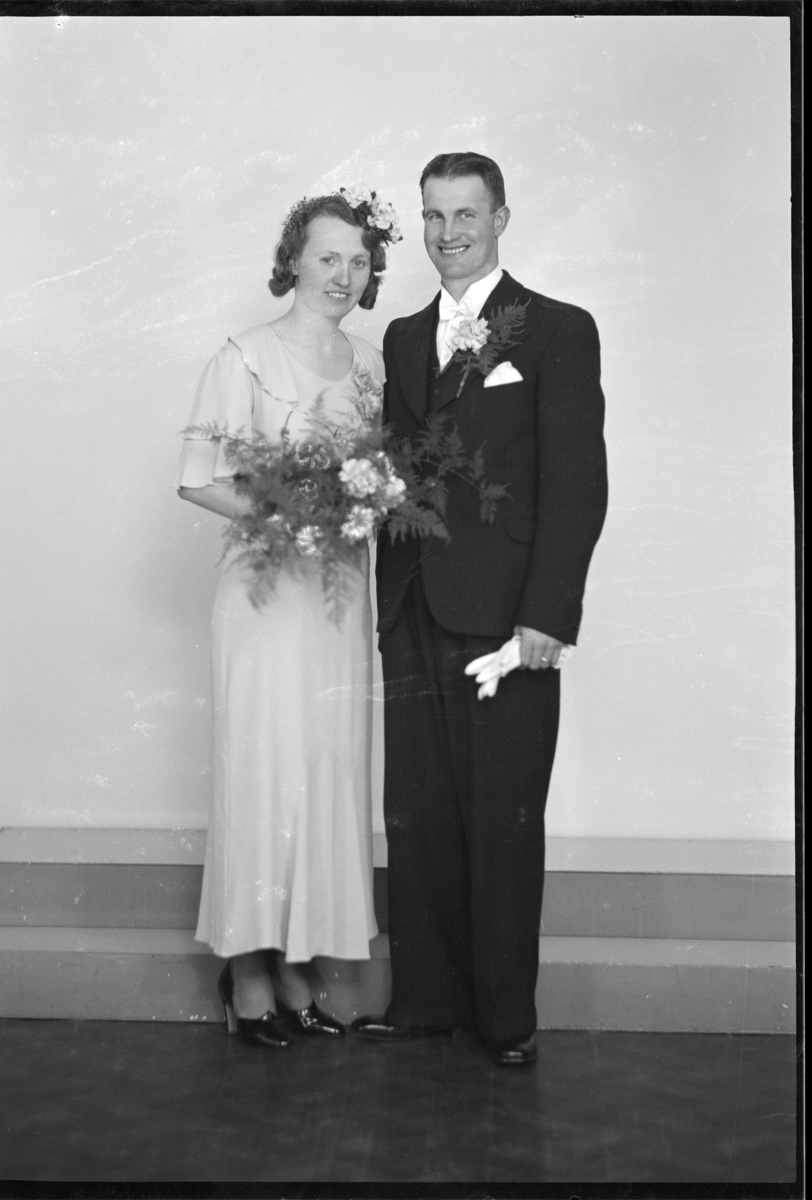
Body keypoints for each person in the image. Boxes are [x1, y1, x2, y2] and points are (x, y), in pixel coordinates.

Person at [352, 152, 608, 1065]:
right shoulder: (401, 338)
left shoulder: (557, 330)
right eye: (433, 216)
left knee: (503, 819)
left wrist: (548, 618)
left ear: (501, 218)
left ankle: (505, 1021)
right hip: (413, 607)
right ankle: (425, 1002)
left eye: (465, 214)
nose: (447, 233)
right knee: (417, 815)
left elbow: (577, 486)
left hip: (507, 622)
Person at [175, 189, 397, 1049]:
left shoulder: (372, 365)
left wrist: (365, 504)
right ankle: (250, 968)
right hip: (267, 600)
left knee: (324, 771)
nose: (344, 274)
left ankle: (300, 960)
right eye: (327, 256)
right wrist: (288, 517)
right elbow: (199, 478)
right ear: (294, 260)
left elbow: (383, 480)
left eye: (359, 260)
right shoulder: (246, 356)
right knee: (264, 770)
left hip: (337, 603)